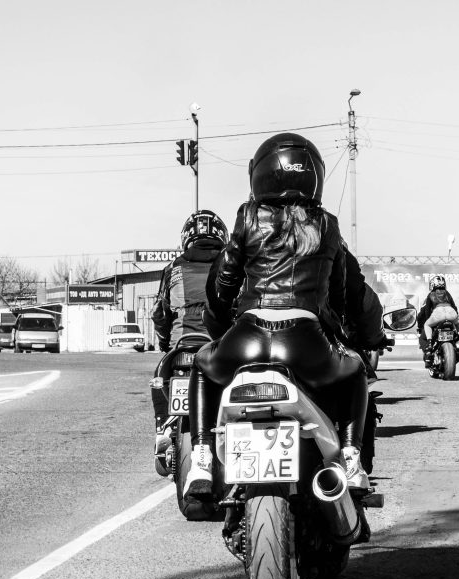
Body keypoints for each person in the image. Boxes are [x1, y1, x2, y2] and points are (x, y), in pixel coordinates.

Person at [183, 132, 371, 509]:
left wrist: (221, 324)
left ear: (261, 173)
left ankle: (201, 459)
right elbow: (337, 296)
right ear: (314, 176)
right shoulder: (328, 225)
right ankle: (351, 459)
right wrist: (338, 334)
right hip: (305, 345)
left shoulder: (248, 217)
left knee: (202, 365)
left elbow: (223, 283)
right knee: (356, 370)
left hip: (247, 338)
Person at [149, 210, 228, 461]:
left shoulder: (172, 268)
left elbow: (160, 313)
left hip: (181, 346)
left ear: (186, 238)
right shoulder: (230, 265)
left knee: (158, 378)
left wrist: (165, 343)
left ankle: (163, 427)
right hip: (219, 345)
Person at [416, 274, 459, 367]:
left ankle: (429, 345)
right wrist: (455, 320)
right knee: (457, 326)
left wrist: (428, 321)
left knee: (427, 325)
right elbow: (454, 308)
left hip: (438, 314)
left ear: (432, 284)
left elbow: (427, 312)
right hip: (451, 313)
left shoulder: (430, 294)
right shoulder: (447, 293)